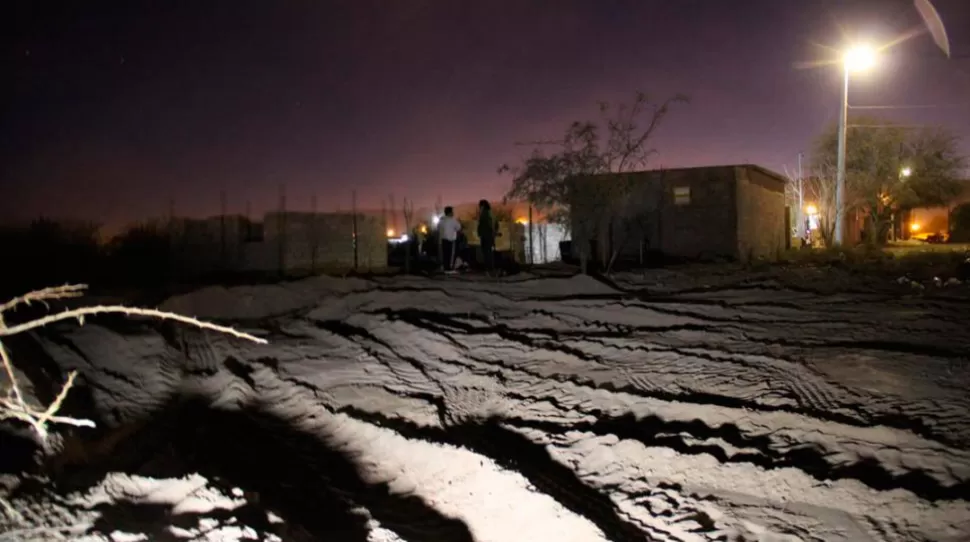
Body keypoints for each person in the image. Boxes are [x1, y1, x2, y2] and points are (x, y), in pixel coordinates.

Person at [438, 206, 461, 273]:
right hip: (450, 240)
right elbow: (459, 228)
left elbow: (438, 228)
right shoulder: (453, 220)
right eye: (452, 211)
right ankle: (449, 268)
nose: (453, 213)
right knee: (450, 254)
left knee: (445, 254)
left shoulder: (442, 220)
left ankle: (445, 267)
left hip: (443, 240)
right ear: (450, 212)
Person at [477, 199, 496, 274]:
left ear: (483, 206)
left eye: (480, 206)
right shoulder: (489, 213)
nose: (479, 207)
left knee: (487, 252)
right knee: (487, 252)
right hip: (487, 235)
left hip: (486, 235)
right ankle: (489, 268)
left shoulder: (485, 213)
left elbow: (488, 224)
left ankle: (489, 269)